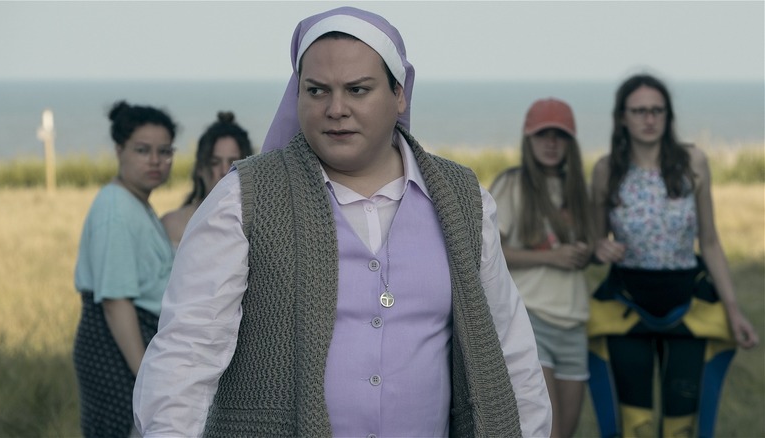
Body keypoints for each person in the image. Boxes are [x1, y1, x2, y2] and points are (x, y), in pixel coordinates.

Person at [133, 6, 551, 437]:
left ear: (399, 93)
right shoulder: (244, 199)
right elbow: (187, 352)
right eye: (316, 91)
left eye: (357, 89)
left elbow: (509, 348)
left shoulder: (464, 200)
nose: (336, 109)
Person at [586, 73, 759, 438]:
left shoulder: (694, 162)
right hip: (626, 304)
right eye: (639, 111)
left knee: (682, 425)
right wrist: (599, 247)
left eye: (657, 110)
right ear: (622, 117)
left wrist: (732, 309)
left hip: (687, 302)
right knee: (637, 424)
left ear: (667, 115)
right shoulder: (606, 170)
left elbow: (710, 242)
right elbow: (594, 244)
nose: (649, 119)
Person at [489, 98, 593, 438]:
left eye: (559, 135)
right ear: (528, 139)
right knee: (547, 431)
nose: (551, 143)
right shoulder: (511, 184)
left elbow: (586, 247)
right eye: (542, 134)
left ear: (570, 143)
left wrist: (595, 250)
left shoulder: (578, 190)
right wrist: (552, 257)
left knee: (566, 432)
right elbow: (490, 253)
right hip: (532, 320)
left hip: (574, 324)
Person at [73, 101, 176, 437]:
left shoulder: (136, 203)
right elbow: (116, 302)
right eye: (143, 150)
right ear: (119, 150)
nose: (156, 161)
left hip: (136, 343)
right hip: (116, 346)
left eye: (165, 151)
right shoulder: (115, 208)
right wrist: (147, 378)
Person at [161, 111, 253, 248]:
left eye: (233, 163)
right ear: (200, 168)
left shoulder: (255, 226)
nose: (224, 171)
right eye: (214, 162)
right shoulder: (173, 224)